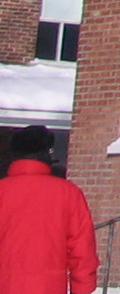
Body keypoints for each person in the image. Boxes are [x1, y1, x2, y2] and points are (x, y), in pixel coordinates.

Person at [0, 125, 98, 294]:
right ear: (47, 153)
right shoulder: (69, 193)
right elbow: (82, 249)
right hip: (48, 287)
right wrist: (83, 287)